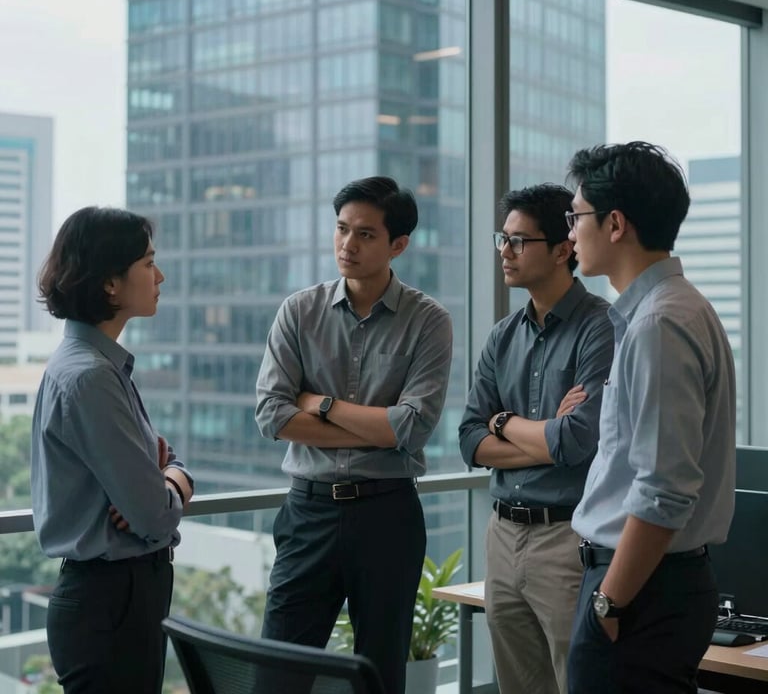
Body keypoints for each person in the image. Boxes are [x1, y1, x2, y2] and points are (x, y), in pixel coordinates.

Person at [255, 175, 452, 694]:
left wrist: (321, 404)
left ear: (398, 245)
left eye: (365, 234)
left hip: (388, 515)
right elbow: (272, 415)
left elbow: (411, 427)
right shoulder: (299, 311)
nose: (348, 244)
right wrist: (379, 426)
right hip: (309, 512)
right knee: (277, 673)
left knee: (380, 676)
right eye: (342, 229)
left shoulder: (428, 321)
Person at [565, 141, 736, 694]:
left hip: (641, 590)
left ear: (615, 224)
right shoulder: (675, 308)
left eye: (576, 216)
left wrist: (609, 602)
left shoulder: (659, 323)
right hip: (651, 585)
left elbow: (664, 489)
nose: (571, 234)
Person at [31, 206, 194, 694]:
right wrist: (163, 489)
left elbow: (165, 466)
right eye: (148, 263)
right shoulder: (91, 378)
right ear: (110, 284)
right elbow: (154, 517)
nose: (160, 276)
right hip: (110, 603)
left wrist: (171, 479)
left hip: (118, 599)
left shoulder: (97, 367)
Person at [458, 184, 613, 694]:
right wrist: (544, 434)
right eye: (502, 239)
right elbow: (469, 441)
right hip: (502, 535)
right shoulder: (502, 335)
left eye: (519, 241)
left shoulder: (600, 327)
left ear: (563, 248)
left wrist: (503, 422)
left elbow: (577, 440)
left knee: (576, 682)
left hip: (566, 539)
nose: (505, 251)